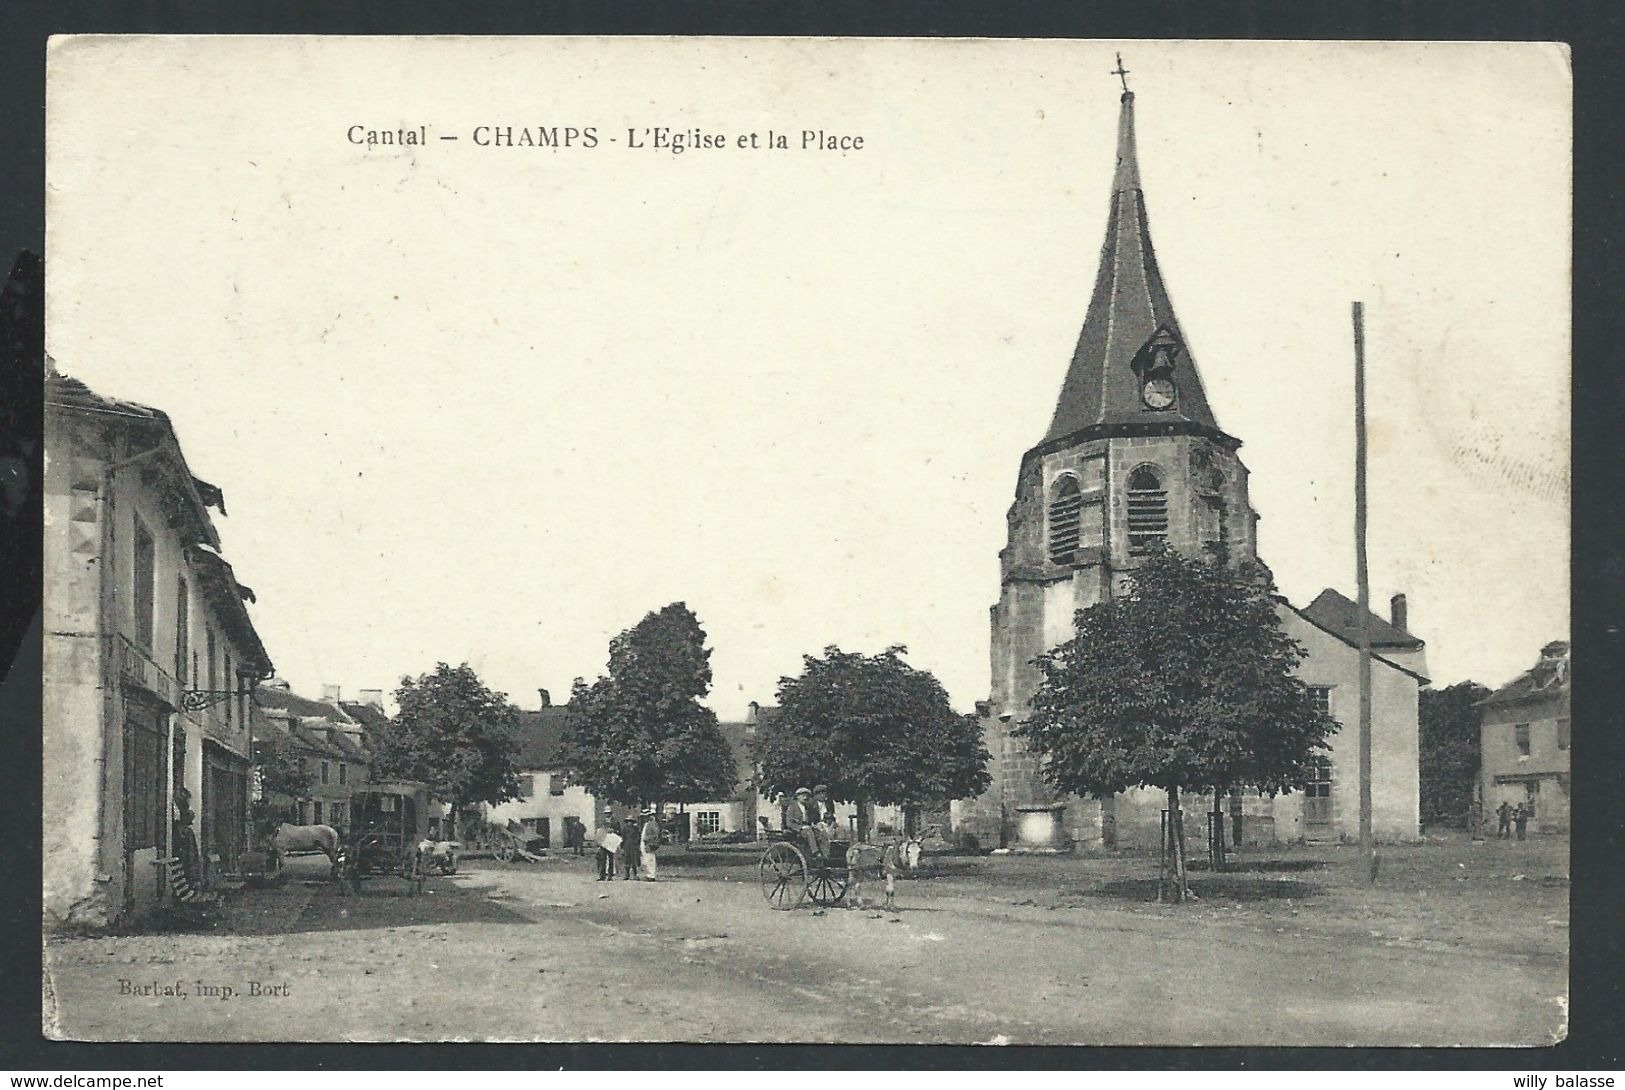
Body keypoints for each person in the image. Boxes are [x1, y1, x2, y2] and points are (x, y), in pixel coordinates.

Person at [785, 786, 828, 861]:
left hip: (807, 828)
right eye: (802, 795)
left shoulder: (808, 807)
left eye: (806, 795)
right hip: (796, 831)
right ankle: (815, 852)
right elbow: (789, 823)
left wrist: (815, 825)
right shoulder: (792, 807)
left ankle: (825, 853)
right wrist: (800, 828)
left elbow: (810, 820)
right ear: (797, 796)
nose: (805, 797)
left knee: (821, 833)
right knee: (809, 832)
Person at [595, 808, 619, 880]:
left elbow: (618, 830)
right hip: (603, 841)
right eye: (606, 813)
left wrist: (613, 830)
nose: (607, 815)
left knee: (610, 859)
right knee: (602, 859)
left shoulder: (615, 821)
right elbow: (600, 830)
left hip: (611, 841)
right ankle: (602, 875)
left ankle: (610, 875)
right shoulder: (602, 821)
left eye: (608, 813)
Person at [639, 810, 661, 881]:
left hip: (649, 843)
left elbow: (655, 834)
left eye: (646, 816)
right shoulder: (646, 824)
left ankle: (652, 875)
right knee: (645, 860)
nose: (644, 818)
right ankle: (648, 874)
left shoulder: (653, 824)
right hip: (644, 843)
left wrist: (647, 838)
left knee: (650, 859)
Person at [620, 814, 641, 880]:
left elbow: (638, 837)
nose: (629, 823)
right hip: (626, 846)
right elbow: (623, 838)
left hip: (634, 846)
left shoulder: (636, 829)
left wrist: (637, 844)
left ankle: (635, 874)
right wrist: (622, 847)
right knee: (627, 860)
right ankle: (627, 874)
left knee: (634, 860)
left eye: (631, 821)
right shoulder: (625, 829)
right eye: (628, 821)